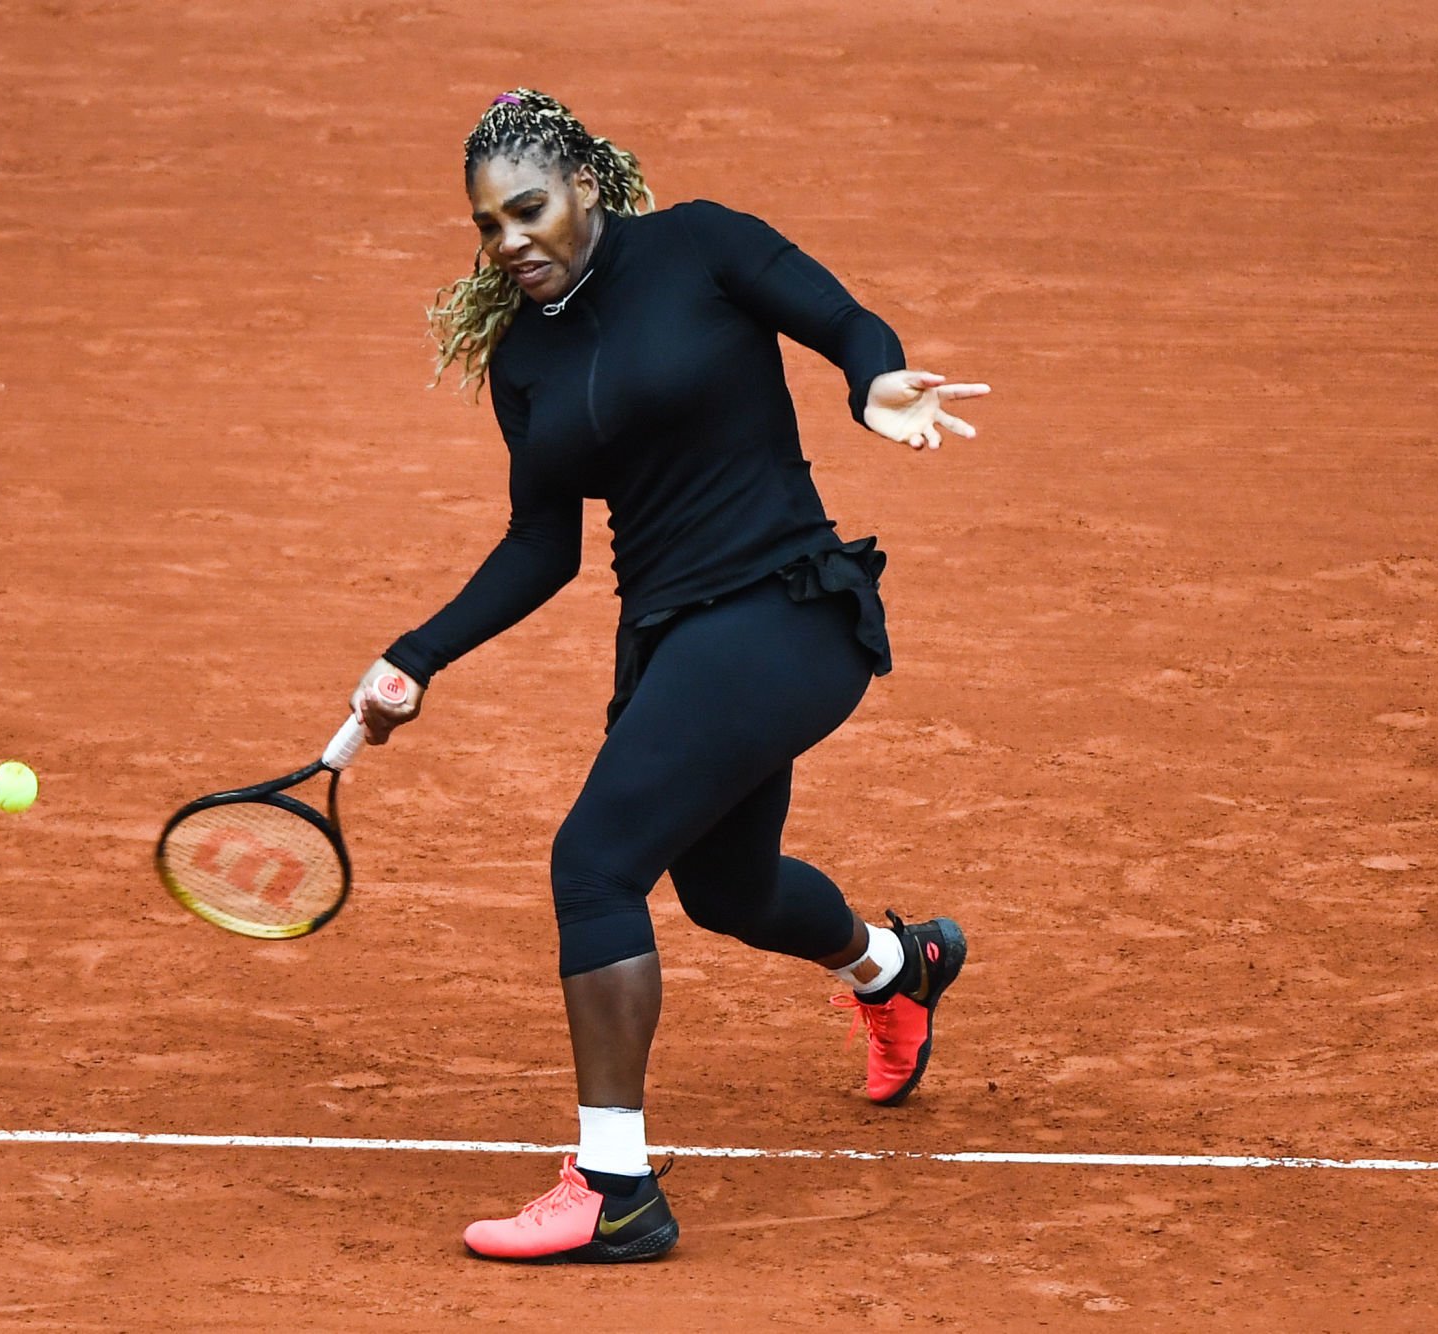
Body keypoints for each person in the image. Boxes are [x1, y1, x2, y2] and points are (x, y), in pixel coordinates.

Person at [349, 89, 990, 1265]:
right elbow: (542, 541)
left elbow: (845, 323)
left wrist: (878, 384)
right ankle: (901, 968)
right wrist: (416, 653)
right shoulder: (523, 359)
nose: (512, 242)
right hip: (673, 639)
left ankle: (615, 1185)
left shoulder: (701, 244)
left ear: (587, 184)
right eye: (488, 227)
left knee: (594, 864)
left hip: (785, 607)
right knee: (727, 891)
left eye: (529, 210)